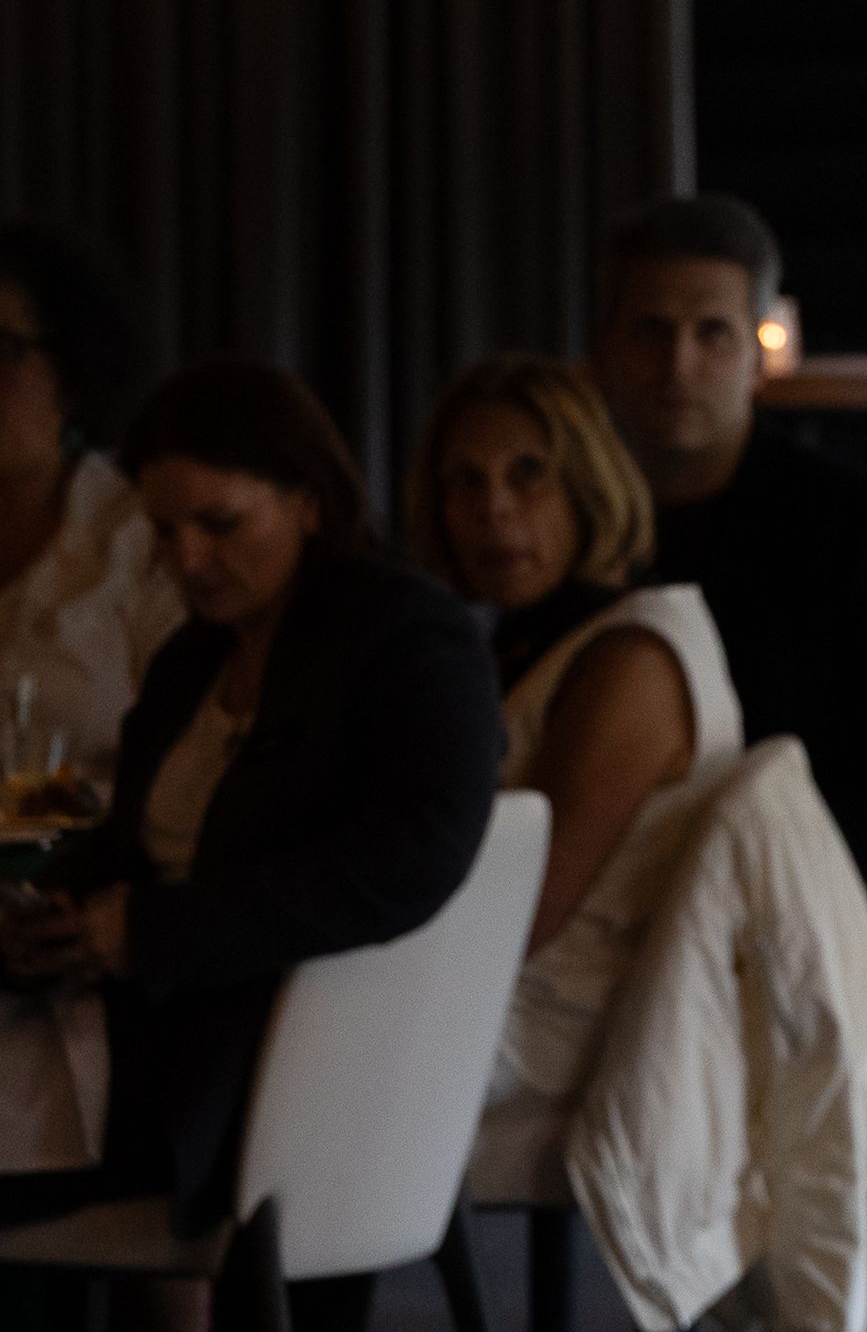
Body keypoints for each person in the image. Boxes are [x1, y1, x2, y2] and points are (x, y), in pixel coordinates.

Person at [1, 364, 503, 1326]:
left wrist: (155, 933)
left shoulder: (405, 639)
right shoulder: (195, 658)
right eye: (164, 531)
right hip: (144, 1030)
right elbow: (131, 849)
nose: (187, 559)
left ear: (308, 502)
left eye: (220, 525)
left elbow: (416, 855)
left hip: (262, 1072)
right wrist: (48, 922)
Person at [589, 197, 867, 904]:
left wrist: (742, 872)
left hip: (771, 902)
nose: (679, 364)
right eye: (652, 331)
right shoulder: (572, 515)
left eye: (713, 333)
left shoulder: (853, 524)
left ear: (758, 356)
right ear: (606, 347)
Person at [407, 353, 743, 1139]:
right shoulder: (521, 642)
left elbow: (522, 910)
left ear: (587, 486)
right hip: (496, 985)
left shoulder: (631, 658)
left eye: (528, 475)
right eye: (465, 481)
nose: (493, 509)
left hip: (574, 1028)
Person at [0, 228, 188, 1186]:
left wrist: (22, 820)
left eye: (3, 351)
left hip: (109, 913)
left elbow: (179, 773)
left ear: (71, 372)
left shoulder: (141, 541)